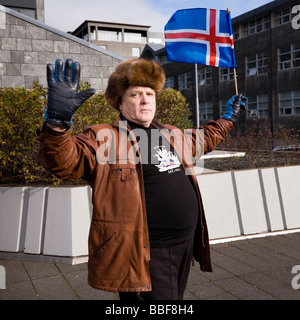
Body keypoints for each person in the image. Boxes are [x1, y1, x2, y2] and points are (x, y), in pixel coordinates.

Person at [37, 58, 246, 300]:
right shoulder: (104, 137)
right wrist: (56, 126)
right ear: (120, 101)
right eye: (136, 94)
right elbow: (64, 162)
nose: (146, 99)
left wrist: (228, 119)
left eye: (150, 93)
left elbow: (205, 138)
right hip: (145, 253)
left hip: (185, 244)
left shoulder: (171, 133)